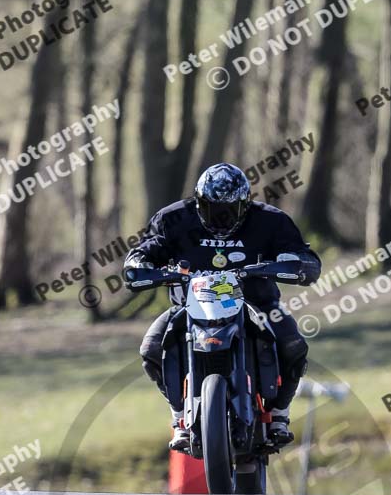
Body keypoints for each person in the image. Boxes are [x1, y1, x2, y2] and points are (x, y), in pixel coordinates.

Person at [123, 162, 322, 450]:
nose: (221, 219)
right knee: (151, 349)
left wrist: (295, 264)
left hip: (257, 303)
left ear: (245, 204)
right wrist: (140, 265)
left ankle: (278, 414)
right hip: (189, 307)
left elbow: (302, 255)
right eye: (212, 209)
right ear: (198, 202)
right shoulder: (173, 219)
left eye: (229, 211)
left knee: (294, 346)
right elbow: (146, 250)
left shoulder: (271, 221)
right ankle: (179, 416)